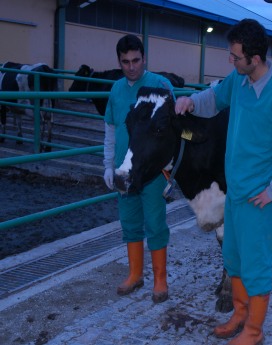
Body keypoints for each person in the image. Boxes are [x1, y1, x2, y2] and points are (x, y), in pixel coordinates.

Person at [175, 19, 272, 345]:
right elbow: (214, 97)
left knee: (257, 267)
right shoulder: (239, 82)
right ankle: (239, 314)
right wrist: (192, 101)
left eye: (236, 56)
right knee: (233, 259)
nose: (231, 61)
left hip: (257, 201)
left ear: (255, 57)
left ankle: (254, 330)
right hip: (234, 194)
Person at [103, 34, 174, 303]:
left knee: (155, 223)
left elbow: (171, 129)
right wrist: (108, 166)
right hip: (124, 168)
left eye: (136, 60)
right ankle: (135, 275)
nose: (131, 67)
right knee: (130, 222)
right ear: (119, 62)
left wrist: (168, 165)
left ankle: (160, 279)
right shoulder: (116, 90)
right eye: (125, 62)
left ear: (144, 58)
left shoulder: (161, 85)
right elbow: (110, 129)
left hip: (152, 171)